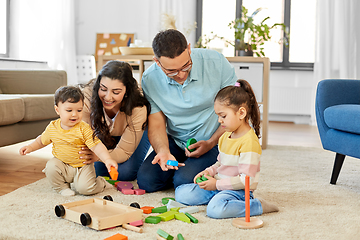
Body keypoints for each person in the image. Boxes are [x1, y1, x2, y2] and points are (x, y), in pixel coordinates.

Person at [137, 29, 238, 192]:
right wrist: (163, 151)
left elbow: (232, 113)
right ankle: (185, 169)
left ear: (189, 49)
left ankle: (195, 171)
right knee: (147, 181)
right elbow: (156, 123)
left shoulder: (216, 62)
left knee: (183, 182)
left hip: (214, 139)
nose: (181, 75)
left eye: (186, 66)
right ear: (157, 61)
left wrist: (211, 142)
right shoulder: (150, 79)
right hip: (176, 140)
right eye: (171, 71)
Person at [175, 79, 279, 218]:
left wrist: (217, 184)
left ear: (241, 113)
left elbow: (246, 180)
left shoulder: (249, 142)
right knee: (181, 193)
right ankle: (220, 199)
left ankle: (256, 206)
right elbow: (220, 163)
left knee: (215, 210)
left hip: (238, 190)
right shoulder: (226, 135)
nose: (219, 120)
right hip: (218, 185)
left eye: (223, 116)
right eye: (218, 116)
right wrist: (207, 172)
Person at [19, 86, 118, 196]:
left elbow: (97, 146)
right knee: (51, 166)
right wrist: (30, 147)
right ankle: (61, 188)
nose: (75, 114)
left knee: (86, 189)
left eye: (79, 110)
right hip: (63, 165)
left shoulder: (83, 128)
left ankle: (101, 183)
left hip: (82, 166)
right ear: (57, 110)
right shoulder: (53, 127)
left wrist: (107, 159)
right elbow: (41, 141)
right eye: (69, 110)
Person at [79, 60, 151, 181]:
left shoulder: (138, 108)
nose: (107, 97)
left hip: (134, 133)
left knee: (124, 173)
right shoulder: (87, 96)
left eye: (116, 92)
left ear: (126, 91)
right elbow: (84, 136)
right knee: (96, 170)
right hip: (104, 134)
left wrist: (98, 156)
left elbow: (123, 151)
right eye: (103, 89)